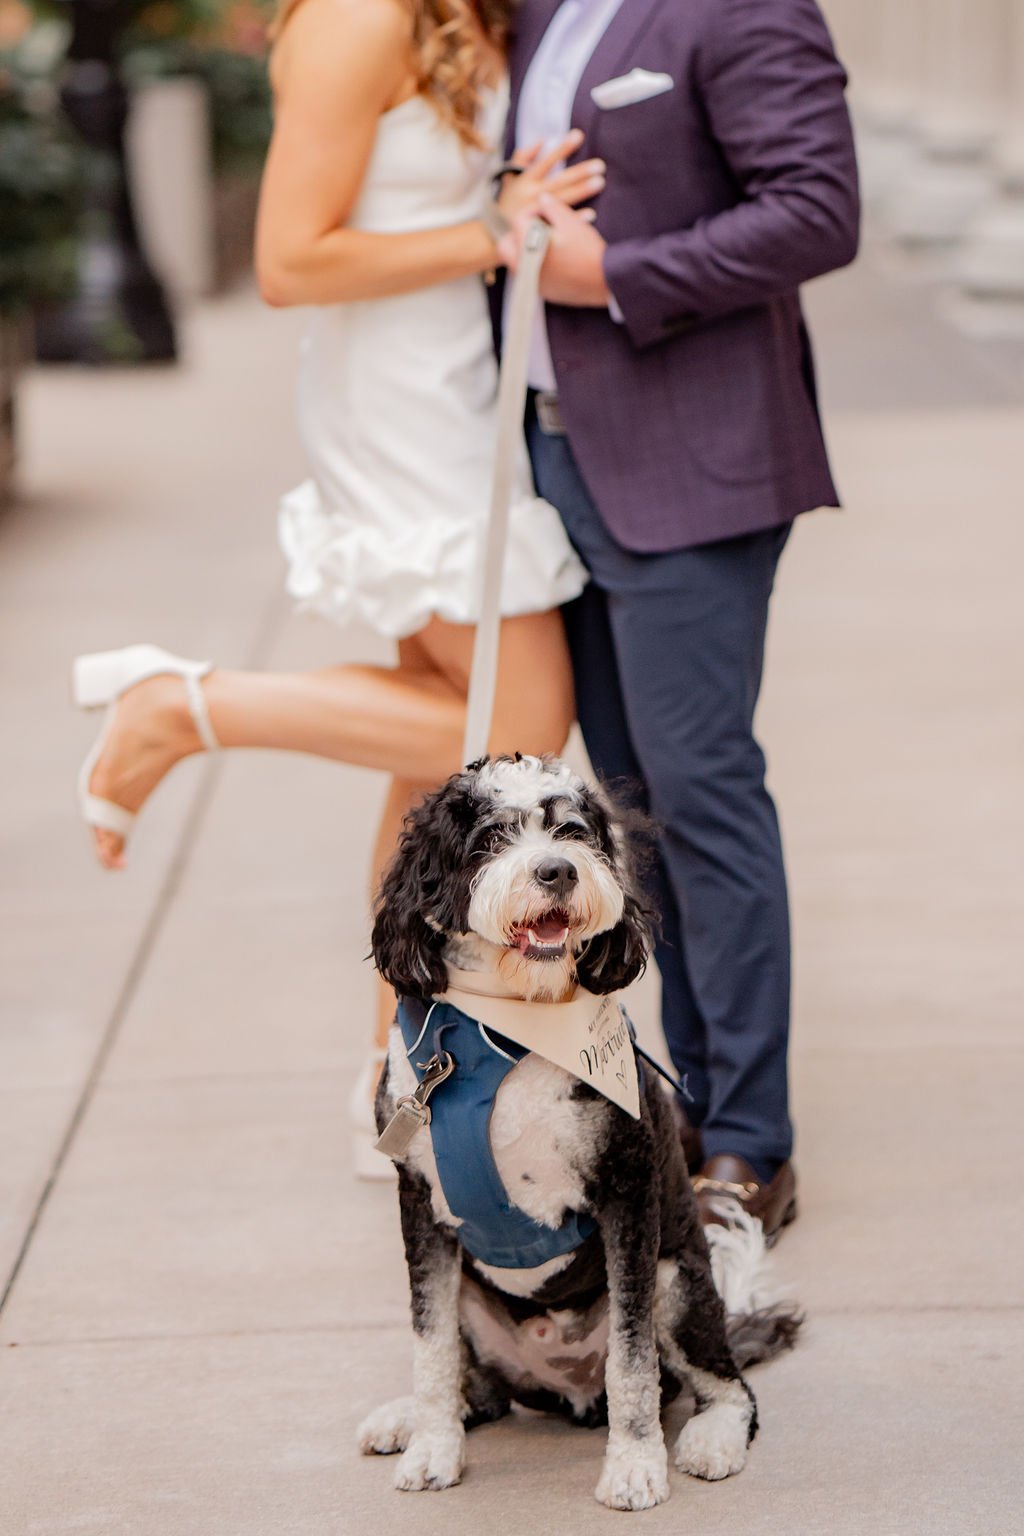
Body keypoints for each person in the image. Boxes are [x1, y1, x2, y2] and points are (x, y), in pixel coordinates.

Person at [72, 0, 605, 1176]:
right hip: (402, 399)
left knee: (435, 756)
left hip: (459, 382)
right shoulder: (357, 16)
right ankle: (186, 704)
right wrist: (494, 230)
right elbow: (287, 261)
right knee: (518, 729)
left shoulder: (456, 11)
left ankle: (396, 1078)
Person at [497, 0, 860, 1241]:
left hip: (696, 460)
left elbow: (817, 209)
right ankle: (691, 1099)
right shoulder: (539, 9)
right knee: (634, 805)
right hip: (557, 460)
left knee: (702, 792)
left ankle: (753, 1142)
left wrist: (618, 275)